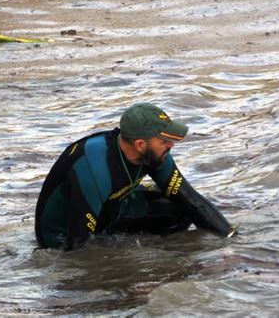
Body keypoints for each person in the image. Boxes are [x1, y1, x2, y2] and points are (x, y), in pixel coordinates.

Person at [35, 102, 237, 251]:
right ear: (141, 144)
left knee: (179, 209)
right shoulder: (95, 168)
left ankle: (160, 251)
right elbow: (76, 247)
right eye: (164, 141)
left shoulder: (154, 154)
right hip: (63, 234)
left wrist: (233, 243)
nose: (171, 145)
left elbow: (193, 201)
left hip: (111, 210)